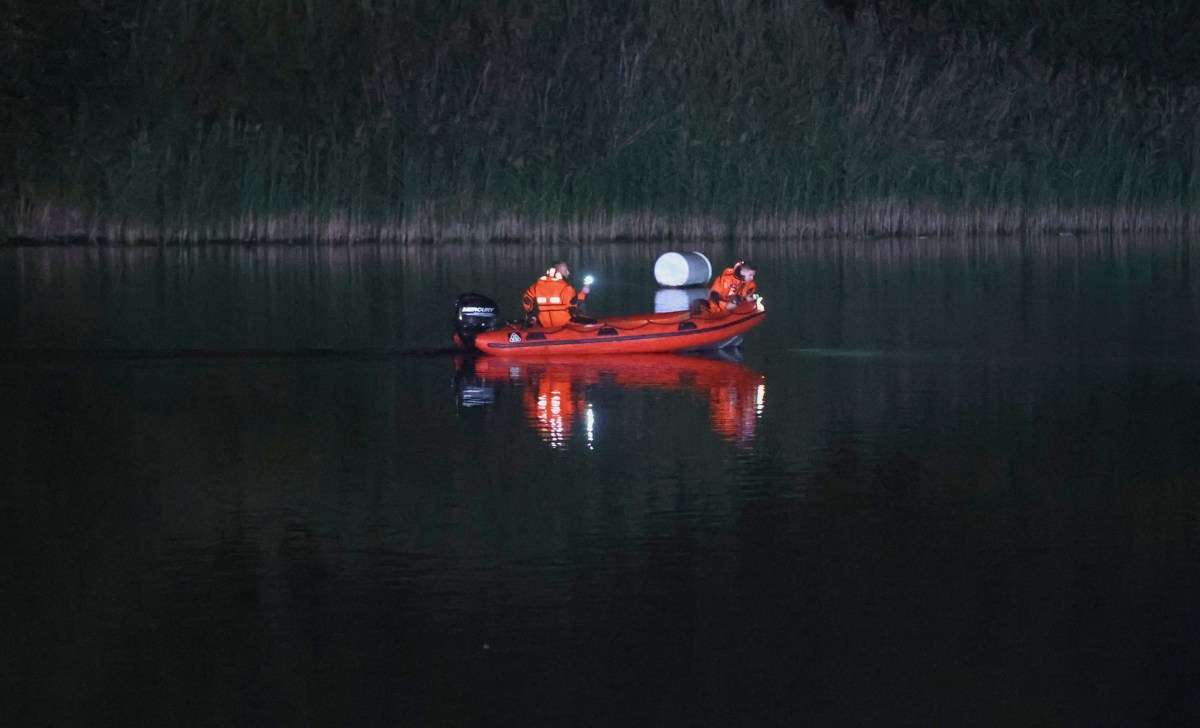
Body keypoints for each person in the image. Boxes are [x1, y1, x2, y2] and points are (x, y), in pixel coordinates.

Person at [522, 261, 591, 327]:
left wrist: (533, 314)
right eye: (565, 271)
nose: (568, 273)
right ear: (558, 273)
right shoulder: (566, 288)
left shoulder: (535, 286)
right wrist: (583, 293)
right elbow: (575, 305)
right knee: (591, 321)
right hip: (565, 325)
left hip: (544, 325)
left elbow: (527, 301)